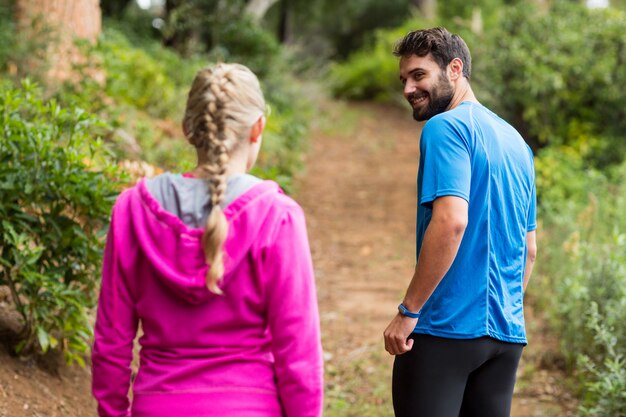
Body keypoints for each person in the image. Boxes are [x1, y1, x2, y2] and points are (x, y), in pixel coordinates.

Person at [92, 63, 323, 417]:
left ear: (188, 129)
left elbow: (112, 341)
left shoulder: (132, 211)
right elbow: (299, 354)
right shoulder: (277, 216)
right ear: (257, 127)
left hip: (157, 406)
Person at [383, 27, 537, 417]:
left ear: (455, 69)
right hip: (505, 338)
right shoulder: (517, 142)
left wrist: (409, 311)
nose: (408, 89)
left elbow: (451, 221)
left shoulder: (446, 128)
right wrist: (503, 315)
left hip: (444, 332)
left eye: (419, 75)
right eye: (404, 79)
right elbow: (529, 249)